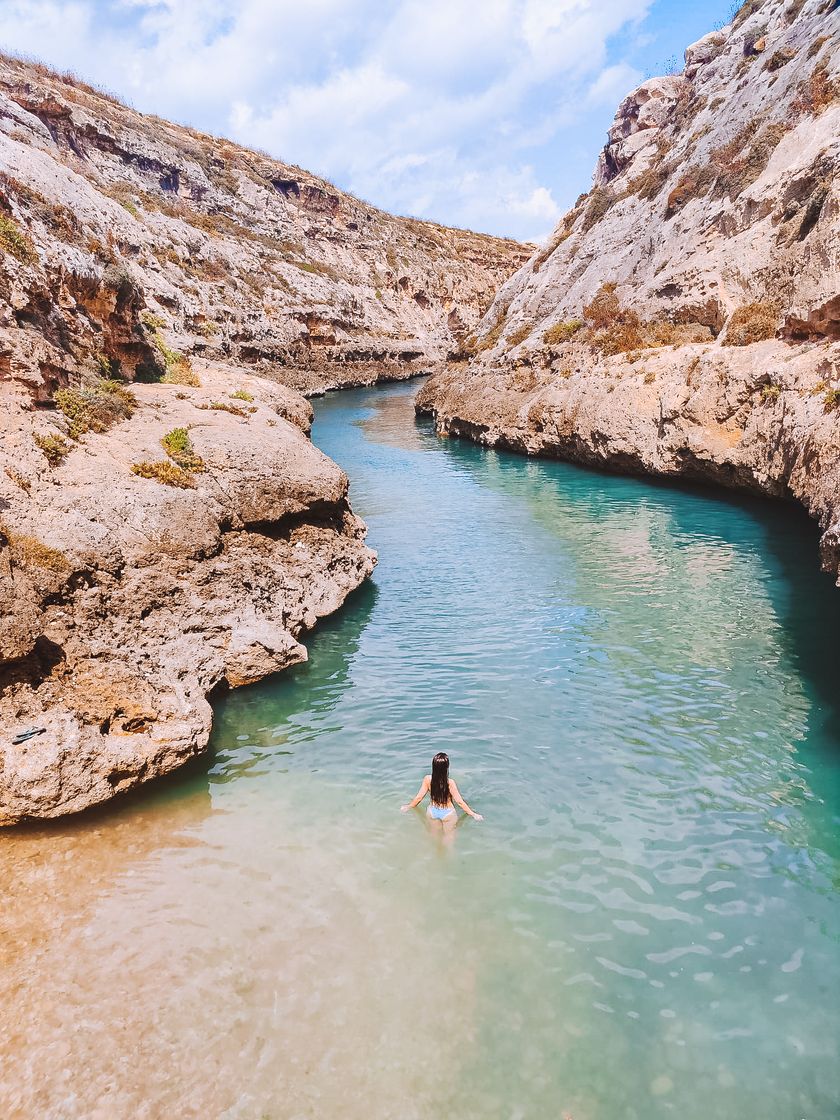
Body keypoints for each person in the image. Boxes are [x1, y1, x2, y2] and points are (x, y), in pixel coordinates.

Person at [400, 752, 483, 825]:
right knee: (448, 839)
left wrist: (408, 806)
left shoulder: (427, 779)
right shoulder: (450, 783)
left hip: (432, 811)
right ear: (446, 767)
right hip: (448, 813)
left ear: (434, 766)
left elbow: (419, 798)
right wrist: (473, 814)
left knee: (434, 838)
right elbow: (459, 802)